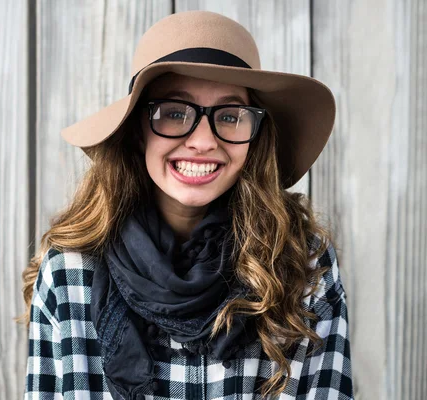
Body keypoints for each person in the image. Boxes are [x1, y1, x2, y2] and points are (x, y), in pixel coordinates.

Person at [20, 10, 353, 400]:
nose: (203, 141)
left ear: (255, 135)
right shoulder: (69, 272)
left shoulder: (301, 262)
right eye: (175, 113)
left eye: (230, 116)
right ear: (138, 130)